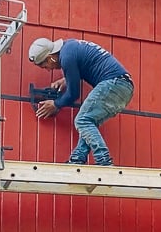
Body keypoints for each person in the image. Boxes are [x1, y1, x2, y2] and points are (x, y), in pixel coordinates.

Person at [27, 37, 134, 167]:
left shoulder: (66, 57)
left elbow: (73, 94)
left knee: (82, 120)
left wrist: (56, 104)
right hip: (123, 87)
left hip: (114, 84)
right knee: (88, 121)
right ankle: (78, 157)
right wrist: (66, 79)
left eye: (45, 66)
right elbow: (87, 64)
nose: (49, 69)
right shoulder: (69, 47)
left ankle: (103, 160)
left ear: (50, 58)